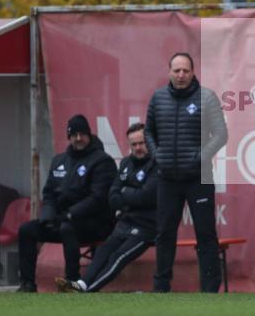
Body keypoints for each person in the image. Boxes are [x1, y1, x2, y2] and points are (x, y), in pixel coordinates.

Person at [145, 52, 228, 293]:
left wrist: (199, 158)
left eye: (185, 70)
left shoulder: (207, 98)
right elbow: (148, 131)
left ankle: (210, 289)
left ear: (193, 72)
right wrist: (157, 155)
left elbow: (221, 134)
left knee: (205, 235)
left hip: (198, 178)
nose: (181, 75)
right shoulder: (158, 98)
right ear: (169, 72)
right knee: (164, 234)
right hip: (167, 179)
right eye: (176, 70)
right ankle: (161, 287)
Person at [17, 114, 116, 292]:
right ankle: (27, 284)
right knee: (27, 230)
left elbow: (98, 198)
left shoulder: (102, 161)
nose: (78, 138)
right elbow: (48, 193)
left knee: (67, 228)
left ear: (89, 135)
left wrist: (69, 214)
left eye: (82, 134)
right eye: (74, 135)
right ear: (69, 137)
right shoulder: (59, 161)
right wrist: (47, 215)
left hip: (95, 222)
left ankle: (72, 282)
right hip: (61, 219)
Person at [55, 123, 157, 293]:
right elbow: (113, 196)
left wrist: (125, 193)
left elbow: (146, 196)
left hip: (146, 227)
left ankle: (86, 292)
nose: (138, 148)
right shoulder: (125, 163)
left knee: (118, 257)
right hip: (124, 223)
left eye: (142, 143)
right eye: (134, 144)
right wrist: (129, 196)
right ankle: (82, 284)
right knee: (103, 252)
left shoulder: (156, 164)